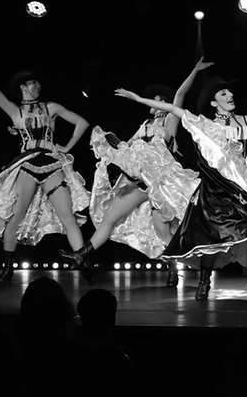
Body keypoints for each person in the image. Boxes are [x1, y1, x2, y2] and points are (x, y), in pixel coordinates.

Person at [115, 65, 247, 300]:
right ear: (214, 102)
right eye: (223, 93)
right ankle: (204, 281)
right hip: (220, 191)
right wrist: (138, 99)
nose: (230, 95)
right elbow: (173, 107)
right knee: (212, 240)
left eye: (230, 91)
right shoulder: (207, 125)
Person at [61, 59, 209, 285]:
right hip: (140, 183)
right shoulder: (144, 125)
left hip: (161, 185)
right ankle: (81, 254)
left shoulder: (170, 120)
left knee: (163, 231)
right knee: (110, 217)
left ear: (162, 102)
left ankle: (178, 268)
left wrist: (195, 71)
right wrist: (110, 146)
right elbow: (127, 148)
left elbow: (180, 94)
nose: (151, 104)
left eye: (155, 100)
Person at [0, 37, 91, 284]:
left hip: (51, 164)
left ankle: (84, 264)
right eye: (33, 83)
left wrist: (65, 147)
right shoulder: (15, 111)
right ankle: (8, 268)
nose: (38, 85)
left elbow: (82, 123)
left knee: (68, 216)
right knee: (16, 216)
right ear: (23, 87)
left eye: (38, 82)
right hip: (28, 165)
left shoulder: (51, 107)